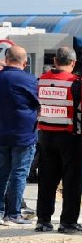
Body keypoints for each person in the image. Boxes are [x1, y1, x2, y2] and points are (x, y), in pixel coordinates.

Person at [34, 47, 82, 233]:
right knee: (72, 181)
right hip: (70, 137)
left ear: (55, 61)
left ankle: (43, 220)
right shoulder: (76, 82)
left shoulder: (41, 80)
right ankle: (68, 222)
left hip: (45, 136)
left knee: (46, 180)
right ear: (73, 63)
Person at [0, 46, 39, 226]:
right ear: (25, 62)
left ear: (6, 59)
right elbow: (39, 104)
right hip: (24, 135)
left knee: (2, 172)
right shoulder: (30, 80)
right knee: (19, 173)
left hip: (1, 134)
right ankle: (13, 213)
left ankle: (0, 211)